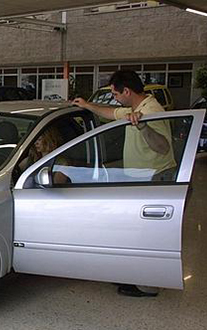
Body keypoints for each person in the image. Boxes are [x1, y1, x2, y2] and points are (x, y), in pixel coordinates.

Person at [72, 70, 175, 297]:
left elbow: (163, 147)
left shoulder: (151, 112)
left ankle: (148, 286)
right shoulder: (135, 109)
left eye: (115, 93)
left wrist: (143, 127)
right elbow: (111, 113)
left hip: (155, 178)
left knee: (148, 236)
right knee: (138, 233)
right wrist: (87, 105)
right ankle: (137, 278)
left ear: (126, 91)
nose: (114, 97)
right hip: (139, 177)